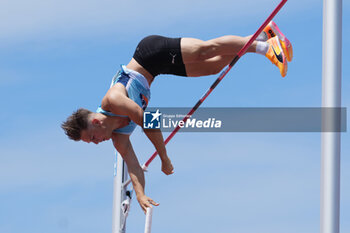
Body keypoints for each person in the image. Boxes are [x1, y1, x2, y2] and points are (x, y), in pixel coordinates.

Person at [61, 21, 293, 213]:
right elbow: (133, 166)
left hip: (149, 53)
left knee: (205, 50)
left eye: (91, 138)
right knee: (212, 67)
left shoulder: (112, 100)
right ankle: (264, 35)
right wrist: (140, 194)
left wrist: (164, 157)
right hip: (156, 70)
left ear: (95, 121)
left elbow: (148, 121)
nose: (95, 143)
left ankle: (266, 47)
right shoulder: (118, 138)